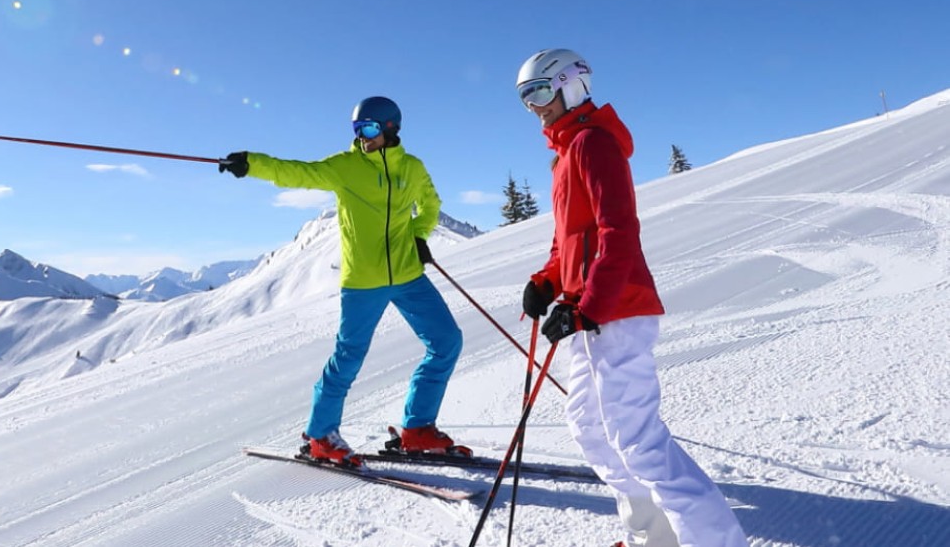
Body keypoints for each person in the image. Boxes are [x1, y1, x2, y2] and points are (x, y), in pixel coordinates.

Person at [516, 49, 748, 547]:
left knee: (638, 441)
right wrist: (547, 283)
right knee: (589, 429)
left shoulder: (595, 144)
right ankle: (657, 535)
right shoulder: (565, 154)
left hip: (615, 310)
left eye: (538, 91)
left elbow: (617, 234)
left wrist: (588, 307)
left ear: (569, 85)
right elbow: (570, 241)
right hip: (587, 313)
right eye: (524, 98)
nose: (534, 106)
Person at [220, 96, 465, 466]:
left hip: (408, 274)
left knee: (447, 341)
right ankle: (320, 435)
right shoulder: (345, 167)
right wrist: (252, 163)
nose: (361, 138)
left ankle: (417, 428)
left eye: (367, 129)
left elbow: (430, 204)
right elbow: (296, 172)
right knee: (348, 359)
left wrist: (418, 235)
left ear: (389, 129)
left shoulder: (412, 168)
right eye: (356, 130)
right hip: (363, 279)